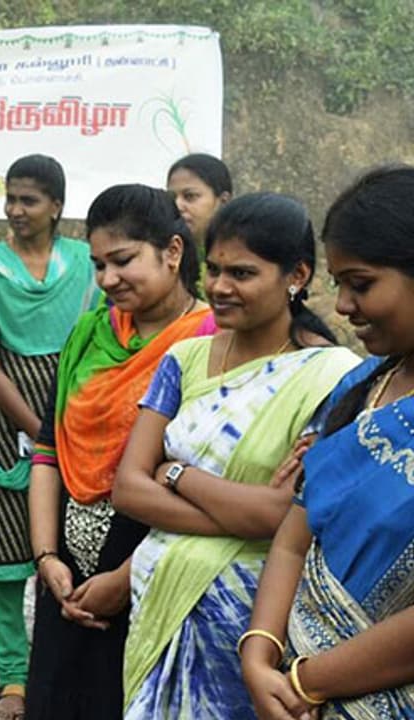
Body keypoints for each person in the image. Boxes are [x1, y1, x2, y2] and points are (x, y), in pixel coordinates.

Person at [114, 192, 359, 719]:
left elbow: (282, 517)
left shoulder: (331, 376)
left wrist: (174, 472)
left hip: (251, 619)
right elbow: (128, 488)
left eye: (243, 273)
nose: (221, 288)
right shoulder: (183, 361)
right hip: (158, 602)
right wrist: (241, 509)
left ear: (295, 275)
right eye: (216, 270)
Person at [26, 184, 216, 719]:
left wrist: (127, 577)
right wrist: (47, 558)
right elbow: (47, 449)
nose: (108, 279)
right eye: (98, 264)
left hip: (153, 576)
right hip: (64, 578)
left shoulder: (212, 343)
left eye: (123, 261)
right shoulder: (89, 335)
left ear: (173, 252)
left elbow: (212, 478)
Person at [242, 165, 414, 718]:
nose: (341, 306)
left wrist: (305, 682)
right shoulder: (359, 389)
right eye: (339, 284)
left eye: (360, 284)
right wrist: (259, 653)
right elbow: (295, 537)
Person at [0, 154, 95, 720]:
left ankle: (58, 668)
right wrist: (38, 431)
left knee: (74, 550)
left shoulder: (83, 264)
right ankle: (13, 679)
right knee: (3, 557)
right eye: (10, 199)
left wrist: (67, 431)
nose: (16, 210)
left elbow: (100, 343)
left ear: (57, 205)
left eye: (29, 200)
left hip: (78, 426)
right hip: (6, 436)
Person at [167, 153, 232, 244]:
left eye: (190, 196)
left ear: (223, 202)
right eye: (171, 198)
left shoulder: (246, 253)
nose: (177, 206)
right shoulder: (160, 254)